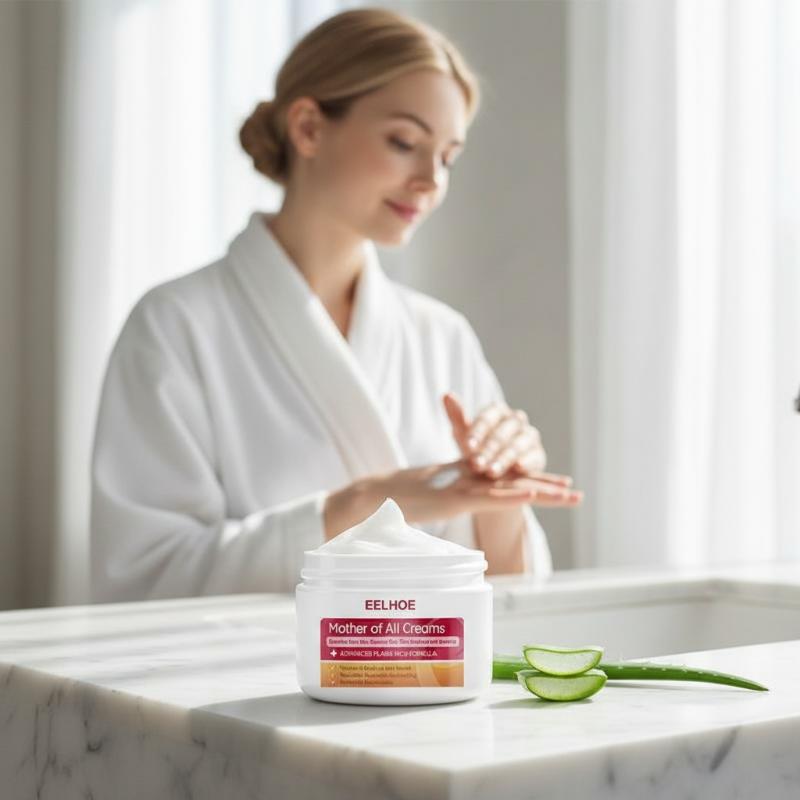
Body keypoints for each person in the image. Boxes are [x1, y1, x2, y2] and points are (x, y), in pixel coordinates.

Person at [89, 7, 582, 602]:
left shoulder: (442, 335)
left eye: (448, 156)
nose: (431, 178)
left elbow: (509, 594)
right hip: (250, 665)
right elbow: (145, 579)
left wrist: (501, 494)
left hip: (434, 660)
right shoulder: (174, 326)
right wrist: (367, 504)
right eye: (405, 142)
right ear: (308, 128)